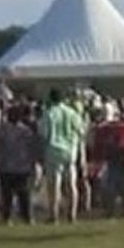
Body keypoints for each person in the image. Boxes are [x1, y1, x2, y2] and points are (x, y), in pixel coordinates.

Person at [40, 89, 83, 224]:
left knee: (55, 185)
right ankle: (72, 214)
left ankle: (54, 215)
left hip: (54, 150)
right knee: (71, 184)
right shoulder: (72, 113)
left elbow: (44, 133)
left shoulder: (49, 114)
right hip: (70, 151)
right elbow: (81, 130)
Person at [0, 105, 38, 225]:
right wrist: (33, 163)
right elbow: (32, 149)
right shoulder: (26, 131)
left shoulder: (2, 131)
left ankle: (7, 218)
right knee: (24, 195)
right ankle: (27, 217)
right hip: (22, 167)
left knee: (7, 195)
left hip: (7, 167)